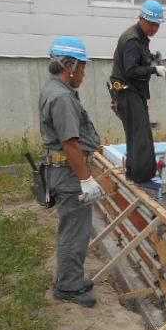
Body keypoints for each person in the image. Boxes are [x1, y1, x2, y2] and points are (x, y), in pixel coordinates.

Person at [39, 36, 101, 306]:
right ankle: (68, 286)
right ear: (70, 65)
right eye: (83, 67)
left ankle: (72, 277)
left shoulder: (55, 89)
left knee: (75, 229)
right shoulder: (62, 97)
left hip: (64, 172)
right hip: (69, 174)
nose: (84, 73)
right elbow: (70, 143)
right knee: (74, 231)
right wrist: (86, 179)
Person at [110, 0, 166, 183]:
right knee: (141, 136)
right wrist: (154, 70)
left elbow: (138, 58)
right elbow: (131, 70)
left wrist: (152, 57)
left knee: (138, 135)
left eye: (157, 25)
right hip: (128, 93)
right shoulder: (132, 40)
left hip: (133, 93)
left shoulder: (140, 37)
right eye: (152, 24)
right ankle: (141, 179)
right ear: (141, 19)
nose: (155, 28)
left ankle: (136, 175)